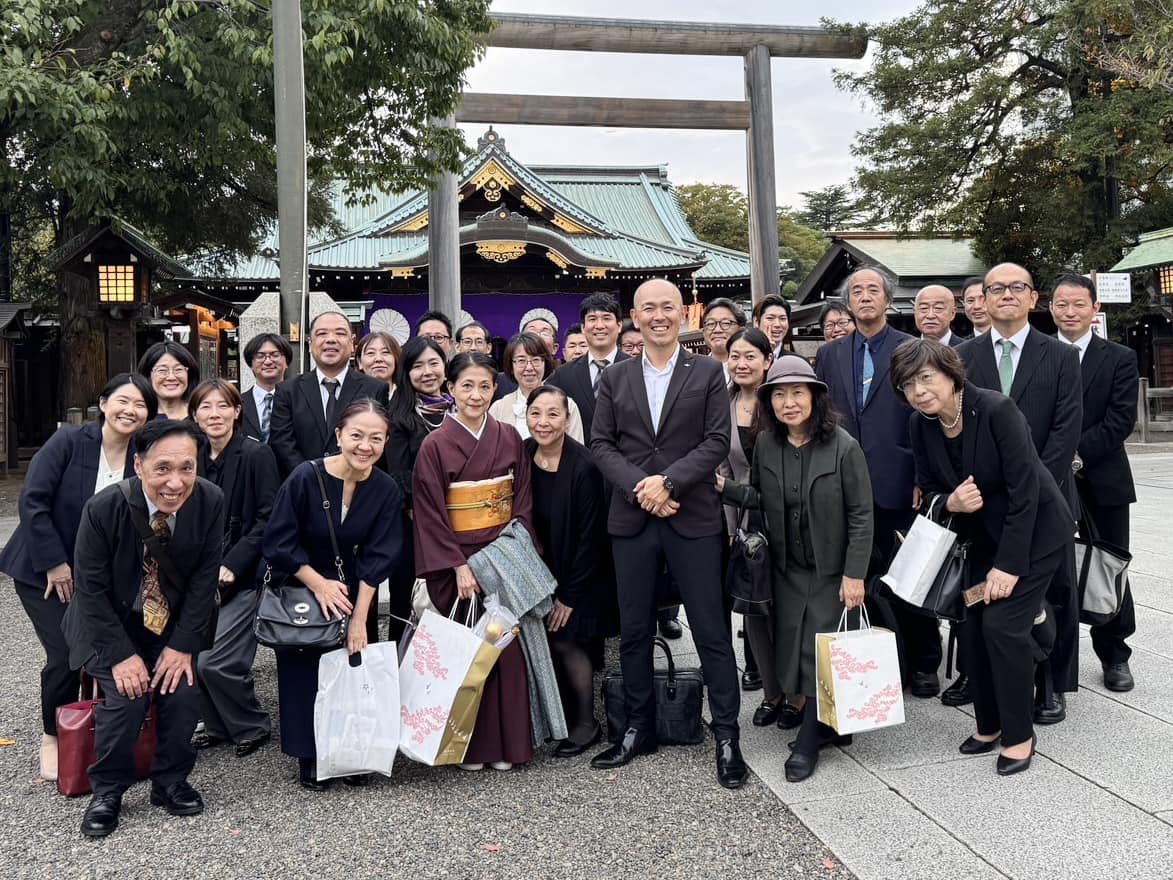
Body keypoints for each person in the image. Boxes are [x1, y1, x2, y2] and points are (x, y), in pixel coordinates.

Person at [589, 278, 746, 790]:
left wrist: (670, 481)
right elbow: (601, 444)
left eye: (668, 307)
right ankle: (637, 726)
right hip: (633, 517)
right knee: (634, 628)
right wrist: (642, 487)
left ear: (684, 314)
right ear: (634, 315)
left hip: (691, 513)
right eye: (648, 308)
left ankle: (726, 735)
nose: (658, 316)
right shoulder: (615, 377)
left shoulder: (706, 372)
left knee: (710, 629)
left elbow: (717, 440)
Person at [892, 338, 1073, 775]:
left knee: (1002, 626)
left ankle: (1019, 734)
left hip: (1034, 536)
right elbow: (930, 487)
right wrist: (950, 502)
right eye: (907, 385)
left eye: (925, 378)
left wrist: (1009, 567)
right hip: (979, 540)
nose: (918, 392)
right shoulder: (921, 425)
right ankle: (989, 724)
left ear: (950, 373)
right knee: (971, 628)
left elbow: (1026, 492)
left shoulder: (996, 410)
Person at [63, 419, 224, 837]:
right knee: (127, 697)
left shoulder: (210, 501)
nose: (176, 482)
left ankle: (170, 781)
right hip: (108, 624)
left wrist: (183, 645)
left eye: (187, 468)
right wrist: (119, 656)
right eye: (163, 468)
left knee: (184, 690)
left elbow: (205, 580)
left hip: (169, 625)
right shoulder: (104, 508)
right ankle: (108, 791)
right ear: (138, 465)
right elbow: (90, 590)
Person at [721, 356, 873, 782]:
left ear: (815, 398)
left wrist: (854, 573)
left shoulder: (843, 446)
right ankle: (826, 726)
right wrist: (721, 488)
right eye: (780, 395)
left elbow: (862, 514)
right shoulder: (768, 444)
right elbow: (760, 497)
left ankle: (808, 742)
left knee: (819, 650)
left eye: (798, 393)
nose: (789, 403)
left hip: (831, 570)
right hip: (788, 568)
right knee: (792, 646)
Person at [0, 373, 157, 782]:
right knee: (66, 654)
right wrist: (54, 562)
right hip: (44, 572)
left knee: (109, 649)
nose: (130, 410)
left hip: (99, 578)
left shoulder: (140, 456)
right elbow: (33, 500)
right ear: (103, 403)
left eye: (140, 405)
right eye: (123, 401)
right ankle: (53, 735)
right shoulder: (69, 442)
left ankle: (102, 730)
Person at [957, 263, 1081, 724]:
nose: (1006, 295)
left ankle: (1052, 683)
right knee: (990, 594)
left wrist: (1029, 490)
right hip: (987, 506)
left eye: (1017, 288)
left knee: (1056, 593)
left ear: (1034, 299)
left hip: (1048, 501)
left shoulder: (1061, 355)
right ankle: (994, 684)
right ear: (982, 300)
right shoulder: (964, 357)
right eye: (996, 289)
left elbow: (1067, 429)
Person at [814, 266, 943, 698]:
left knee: (908, 574)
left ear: (889, 300)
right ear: (847, 303)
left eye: (873, 290)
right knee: (856, 578)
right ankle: (873, 661)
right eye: (856, 291)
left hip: (899, 483)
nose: (865, 297)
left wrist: (922, 477)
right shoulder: (831, 354)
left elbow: (928, 418)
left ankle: (925, 661)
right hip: (844, 486)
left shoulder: (911, 349)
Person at [263, 400, 405, 790]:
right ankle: (309, 754)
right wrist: (318, 583)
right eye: (357, 435)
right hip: (303, 584)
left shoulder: (385, 489)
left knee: (351, 667)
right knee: (303, 672)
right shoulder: (305, 478)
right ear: (339, 434)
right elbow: (278, 541)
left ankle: (352, 750)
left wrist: (359, 620)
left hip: (355, 588)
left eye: (376, 438)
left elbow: (380, 557)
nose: (365, 445)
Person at [411, 352, 536, 771]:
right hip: (458, 562)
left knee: (504, 649)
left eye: (484, 386)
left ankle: (509, 746)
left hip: (500, 554)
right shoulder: (434, 444)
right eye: (466, 386)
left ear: (494, 389)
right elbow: (429, 512)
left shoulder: (508, 436)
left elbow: (521, 501)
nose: (476, 394)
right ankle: (468, 747)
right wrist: (457, 565)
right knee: (465, 651)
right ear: (450, 390)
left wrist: (509, 550)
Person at [1050, 273, 1139, 692]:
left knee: (1108, 565)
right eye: (1062, 304)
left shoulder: (1119, 357)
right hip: (1048, 479)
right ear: (1049, 307)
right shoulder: (1040, 353)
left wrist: (1075, 455)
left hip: (1101, 477)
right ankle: (1054, 655)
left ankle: (1115, 654)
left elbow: (1120, 420)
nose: (1070, 312)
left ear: (1094, 310)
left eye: (1078, 305)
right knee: (1050, 567)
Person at [188, 379, 280, 758]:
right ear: (194, 415)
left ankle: (251, 724)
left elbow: (268, 517)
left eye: (222, 406)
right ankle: (217, 725)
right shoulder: (190, 456)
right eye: (205, 407)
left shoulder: (256, 455)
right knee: (191, 658)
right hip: (196, 576)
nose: (215, 414)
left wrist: (233, 563)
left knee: (216, 662)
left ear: (236, 411)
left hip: (243, 576)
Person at [524, 385, 617, 756]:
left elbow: (591, 538)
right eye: (536, 413)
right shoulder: (525, 453)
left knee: (568, 640)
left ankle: (585, 723)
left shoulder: (584, 466)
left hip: (581, 573)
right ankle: (557, 718)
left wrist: (568, 596)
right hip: (541, 570)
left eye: (553, 414)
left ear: (567, 418)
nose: (543, 422)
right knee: (546, 644)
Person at [715, 328, 801, 729]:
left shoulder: (782, 403)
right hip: (743, 519)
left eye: (751, 355)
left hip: (786, 515)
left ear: (768, 360)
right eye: (735, 356)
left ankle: (797, 696)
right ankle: (771, 693)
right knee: (755, 612)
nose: (742, 363)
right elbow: (725, 464)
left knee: (788, 609)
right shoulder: (723, 403)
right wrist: (731, 524)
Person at [383, 337, 451, 642]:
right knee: (410, 598)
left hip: (459, 522)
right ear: (405, 373)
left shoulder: (460, 407)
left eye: (433, 363)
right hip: (414, 524)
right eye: (417, 365)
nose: (427, 372)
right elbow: (399, 475)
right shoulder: (397, 417)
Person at [268, 311, 389, 477]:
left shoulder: (375, 389)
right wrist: (312, 478)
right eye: (322, 333)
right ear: (310, 344)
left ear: (352, 344)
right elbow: (283, 444)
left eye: (340, 333)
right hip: (303, 487)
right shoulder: (287, 391)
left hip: (356, 482)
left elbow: (378, 440)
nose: (331, 339)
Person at [549, 293, 626, 447]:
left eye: (606, 318)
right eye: (592, 319)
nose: (599, 325)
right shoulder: (563, 376)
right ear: (583, 328)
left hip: (626, 464)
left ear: (619, 325)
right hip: (579, 464)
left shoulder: (638, 370)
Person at [491, 332, 584, 442]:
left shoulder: (568, 405)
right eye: (521, 361)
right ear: (511, 367)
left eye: (536, 360)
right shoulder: (498, 408)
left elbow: (577, 454)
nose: (529, 367)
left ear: (545, 363)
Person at [240, 333, 292, 442]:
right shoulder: (238, 404)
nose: (268, 361)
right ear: (251, 364)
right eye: (260, 356)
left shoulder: (300, 402)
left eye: (275, 354)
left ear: (286, 362)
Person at [138, 340, 199, 421]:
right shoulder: (139, 418)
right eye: (162, 370)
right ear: (148, 376)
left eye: (178, 369)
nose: (171, 377)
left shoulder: (200, 416)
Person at [701, 297, 746, 381]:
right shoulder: (695, 371)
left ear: (741, 329)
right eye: (711, 323)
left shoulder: (750, 369)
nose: (717, 330)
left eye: (726, 323)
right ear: (703, 332)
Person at [356, 330, 401, 399]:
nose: (378, 359)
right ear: (359, 362)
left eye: (385, 352)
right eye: (370, 353)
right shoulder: (349, 399)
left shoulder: (410, 399)